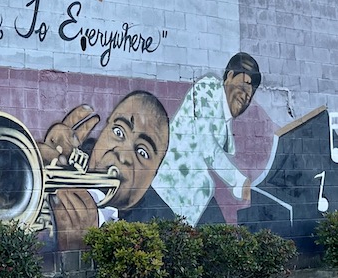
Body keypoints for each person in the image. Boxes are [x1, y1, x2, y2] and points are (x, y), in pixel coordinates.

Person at [38, 90, 170, 250]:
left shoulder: (161, 230)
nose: (122, 155)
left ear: (154, 175)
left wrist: (79, 248)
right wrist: (37, 163)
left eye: (142, 152)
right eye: (118, 131)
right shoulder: (70, 159)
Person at [149, 52, 261, 226]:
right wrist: (239, 182)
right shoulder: (208, 88)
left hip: (188, 205)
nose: (248, 94)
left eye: (252, 91)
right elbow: (207, 146)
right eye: (245, 84)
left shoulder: (225, 125)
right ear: (230, 76)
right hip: (165, 196)